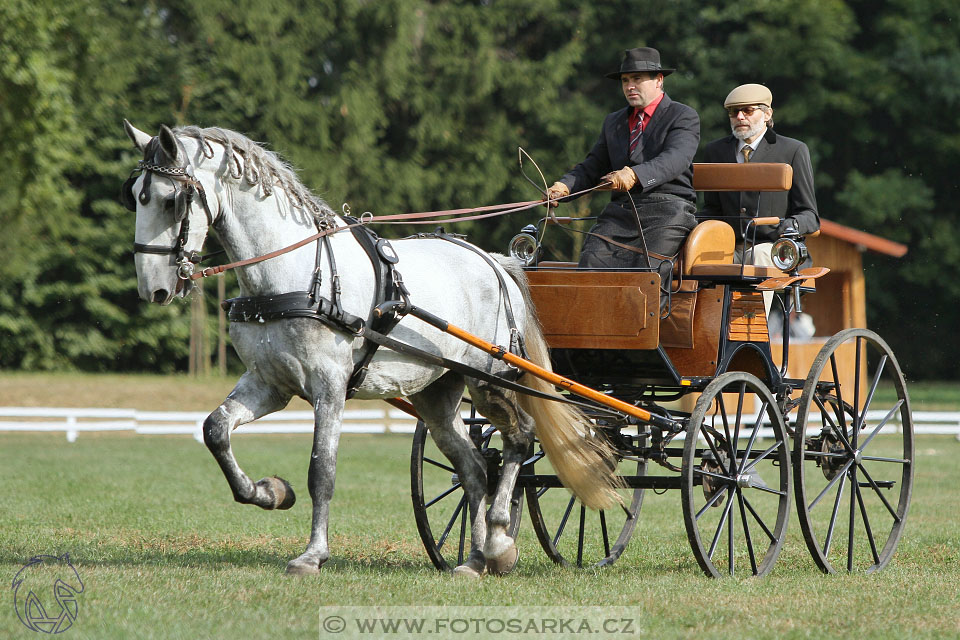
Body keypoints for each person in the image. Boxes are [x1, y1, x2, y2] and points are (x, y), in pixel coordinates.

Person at [544, 47, 699, 287]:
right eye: (625, 80)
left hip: (668, 212)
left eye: (637, 79)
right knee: (589, 268)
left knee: (644, 279)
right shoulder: (613, 121)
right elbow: (593, 165)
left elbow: (676, 158)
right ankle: (593, 325)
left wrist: (636, 174)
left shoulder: (682, 116)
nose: (629, 86)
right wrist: (564, 187)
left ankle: (640, 324)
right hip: (620, 214)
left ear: (659, 80)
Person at [699, 83, 819, 266]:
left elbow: (809, 215)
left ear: (767, 114)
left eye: (747, 110)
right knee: (702, 258)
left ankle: (760, 296)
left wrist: (790, 225)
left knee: (758, 256)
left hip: (774, 247)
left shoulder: (793, 150)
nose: (739, 117)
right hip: (727, 247)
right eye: (733, 112)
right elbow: (712, 209)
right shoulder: (715, 151)